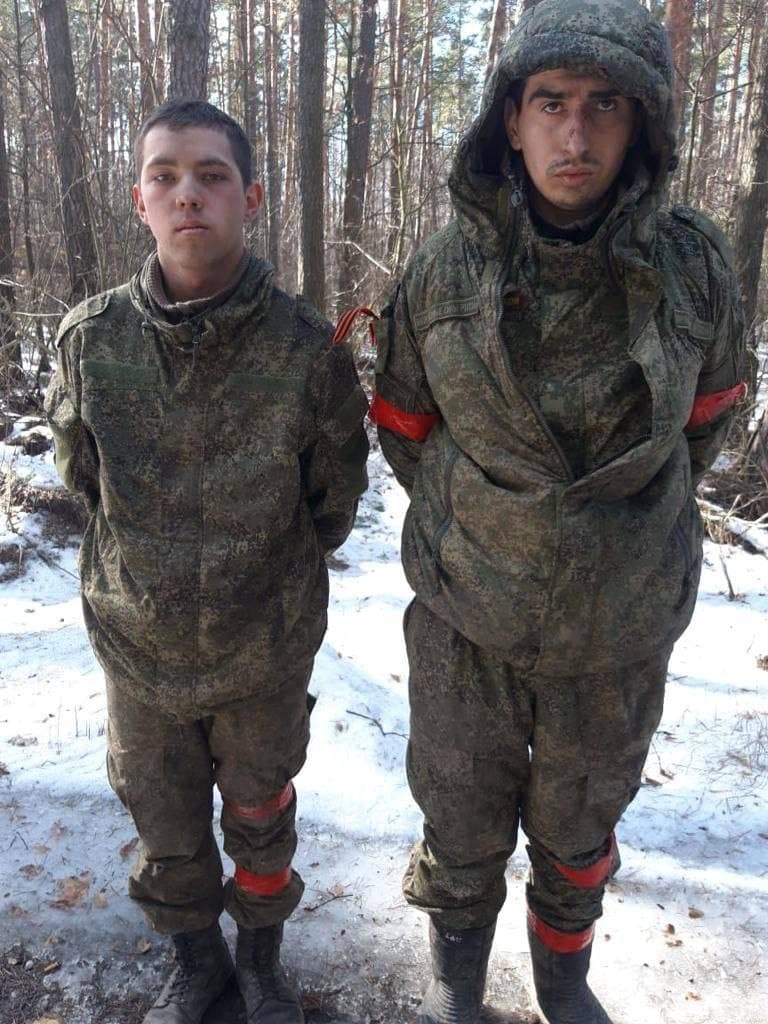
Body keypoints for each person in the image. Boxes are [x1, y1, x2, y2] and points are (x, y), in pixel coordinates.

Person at [369, 1, 746, 1022]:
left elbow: (708, 415)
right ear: (511, 117)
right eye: (550, 103)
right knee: (459, 818)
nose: (574, 134)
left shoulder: (695, 265)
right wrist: (496, 528)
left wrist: (614, 532)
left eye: (604, 105)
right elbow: (405, 424)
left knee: (582, 829)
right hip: (468, 617)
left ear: (642, 121)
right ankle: (456, 978)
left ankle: (562, 977)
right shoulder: (444, 270)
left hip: (618, 625)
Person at [45, 100, 369, 1024]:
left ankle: (260, 963)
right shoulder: (90, 341)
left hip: (262, 651)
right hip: (139, 648)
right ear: (139, 199)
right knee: (166, 823)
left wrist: (258, 581)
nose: (188, 193)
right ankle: (196, 962)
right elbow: (83, 476)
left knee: (261, 819)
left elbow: (332, 501)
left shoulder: (306, 350)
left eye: (212, 175)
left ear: (251, 198)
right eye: (166, 175)